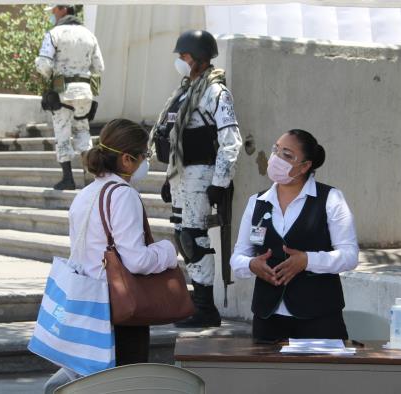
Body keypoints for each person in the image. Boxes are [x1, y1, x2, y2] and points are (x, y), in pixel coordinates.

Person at [43, 119, 178, 393]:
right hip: (120, 309)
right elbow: (136, 260)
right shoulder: (123, 195)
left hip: (89, 305)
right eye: (145, 156)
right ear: (128, 160)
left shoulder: (86, 193)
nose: (146, 163)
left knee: (91, 383)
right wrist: (168, 251)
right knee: (123, 384)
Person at [230, 129, 359, 342]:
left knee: (321, 376)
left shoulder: (330, 199)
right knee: (269, 376)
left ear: (305, 166)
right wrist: (252, 265)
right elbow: (238, 257)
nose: (276, 158)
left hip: (319, 319)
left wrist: (307, 260)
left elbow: (349, 255)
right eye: (276, 150)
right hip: (268, 319)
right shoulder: (257, 202)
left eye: (287, 155)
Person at [151, 30, 242, 328]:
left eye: (184, 56)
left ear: (200, 58)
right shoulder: (185, 91)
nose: (180, 61)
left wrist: (220, 182)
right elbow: (175, 139)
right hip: (182, 176)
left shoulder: (217, 93)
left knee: (194, 238)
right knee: (183, 236)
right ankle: (197, 302)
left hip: (202, 176)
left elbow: (230, 141)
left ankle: (206, 309)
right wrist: (168, 178)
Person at [35, 4, 104, 190]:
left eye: (53, 10)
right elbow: (99, 68)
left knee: (62, 133)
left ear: (63, 9)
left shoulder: (55, 33)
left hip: (62, 93)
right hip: (85, 93)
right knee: (83, 131)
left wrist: (51, 76)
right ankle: (91, 179)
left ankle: (68, 179)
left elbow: (43, 63)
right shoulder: (89, 35)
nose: (51, 14)